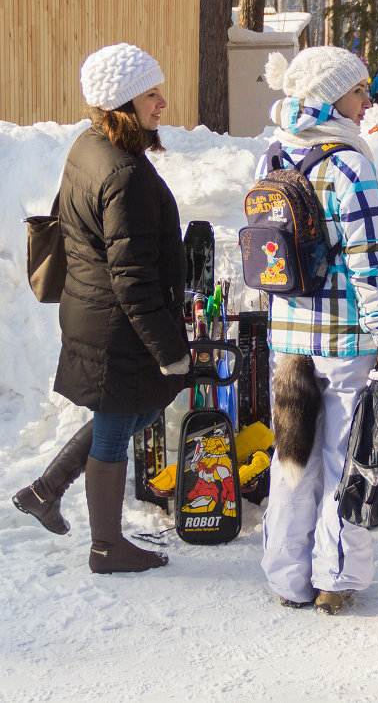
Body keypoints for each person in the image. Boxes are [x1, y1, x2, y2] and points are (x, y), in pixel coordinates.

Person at [13, 43, 191, 573]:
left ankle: (46, 489)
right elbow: (132, 275)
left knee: (138, 409)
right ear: (121, 102)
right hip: (118, 322)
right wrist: (168, 349)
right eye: (151, 95)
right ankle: (107, 547)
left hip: (94, 310)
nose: (163, 104)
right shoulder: (124, 174)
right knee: (117, 426)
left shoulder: (90, 145)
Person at [259, 47, 378, 614]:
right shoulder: (349, 163)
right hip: (344, 341)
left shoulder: (272, 156)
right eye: (358, 90)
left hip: (288, 340)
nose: (367, 99)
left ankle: (285, 576)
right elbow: (370, 260)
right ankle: (334, 578)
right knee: (345, 459)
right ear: (328, 97)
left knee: (293, 460)